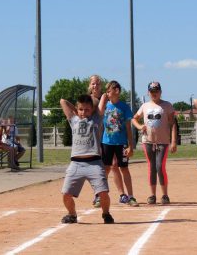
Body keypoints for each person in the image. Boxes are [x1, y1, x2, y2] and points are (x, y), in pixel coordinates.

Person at [60, 94, 114, 224]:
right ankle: (72, 214)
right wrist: (76, 110)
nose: (84, 112)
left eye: (87, 109)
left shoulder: (96, 119)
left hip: (94, 163)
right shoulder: (73, 119)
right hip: (76, 163)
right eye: (81, 109)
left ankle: (106, 214)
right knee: (66, 194)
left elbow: (102, 102)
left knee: (103, 193)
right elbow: (63, 101)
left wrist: (99, 103)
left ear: (92, 110)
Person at [132, 81, 177, 205]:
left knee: (160, 166)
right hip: (148, 141)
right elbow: (134, 119)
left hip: (163, 141)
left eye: (156, 91)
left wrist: (173, 141)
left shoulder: (167, 105)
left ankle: (165, 195)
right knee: (151, 167)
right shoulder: (145, 106)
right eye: (152, 91)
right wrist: (140, 126)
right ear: (148, 93)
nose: (154, 93)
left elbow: (173, 124)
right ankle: (152, 195)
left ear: (160, 92)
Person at [88, 75, 129, 207]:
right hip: (95, 139)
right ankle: (98, 195)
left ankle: (122, 194)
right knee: (102, 169)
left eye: (98, 84)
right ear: (89, 85)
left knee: (114, 165)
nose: (96, 86)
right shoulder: (89, 100)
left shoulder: (106, 99)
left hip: (108, 139)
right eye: (93, 84)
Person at [99, 80, 139, 207]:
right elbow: (99, 125)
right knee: (107, 168)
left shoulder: (124, 107)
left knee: (124, 168)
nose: (107, 93)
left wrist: (131, 146)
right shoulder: (104, 106)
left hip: (121, 143)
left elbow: (128, 128)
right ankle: (100, 195)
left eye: (109, 91)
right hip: (106, 143)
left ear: (117, 91)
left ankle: (131, 196)